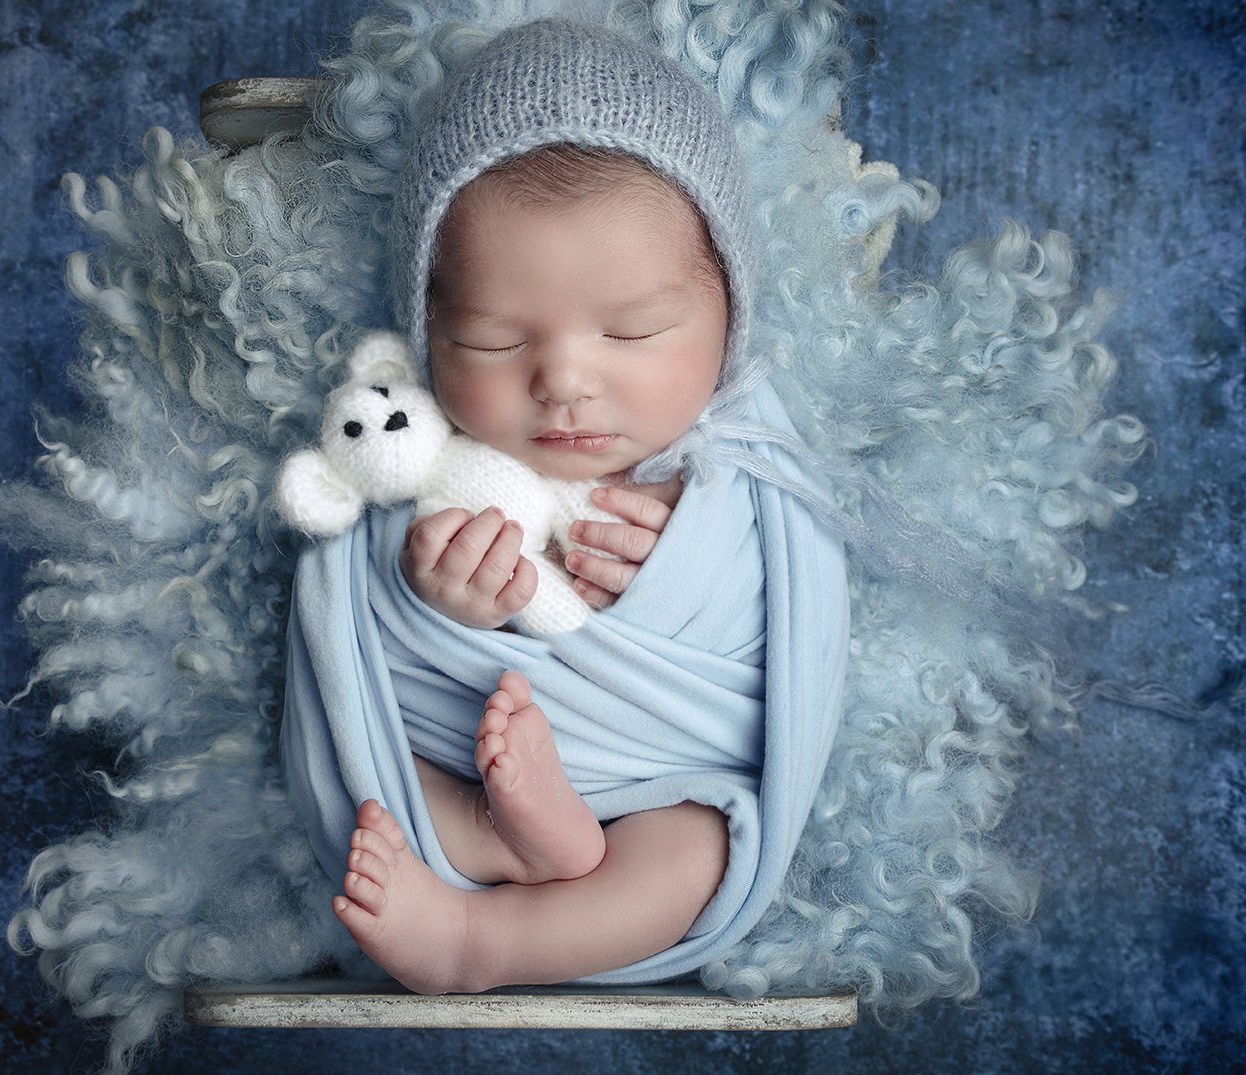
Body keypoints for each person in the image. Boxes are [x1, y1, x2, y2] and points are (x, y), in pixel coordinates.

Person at [284, 17, 849, 995]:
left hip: (661, 781)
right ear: (426, 332)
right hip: (449, 766)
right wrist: (431, 591)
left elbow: (795, 627)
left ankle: (479, 939)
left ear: (729, 312)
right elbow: (352, 630)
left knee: (698, 850)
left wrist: (684, 559)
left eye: (633, 331)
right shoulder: (421, 451)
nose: (563, 382)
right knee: (362, 774)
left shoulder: (745, 470)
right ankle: (495, 830)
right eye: (495, 342)